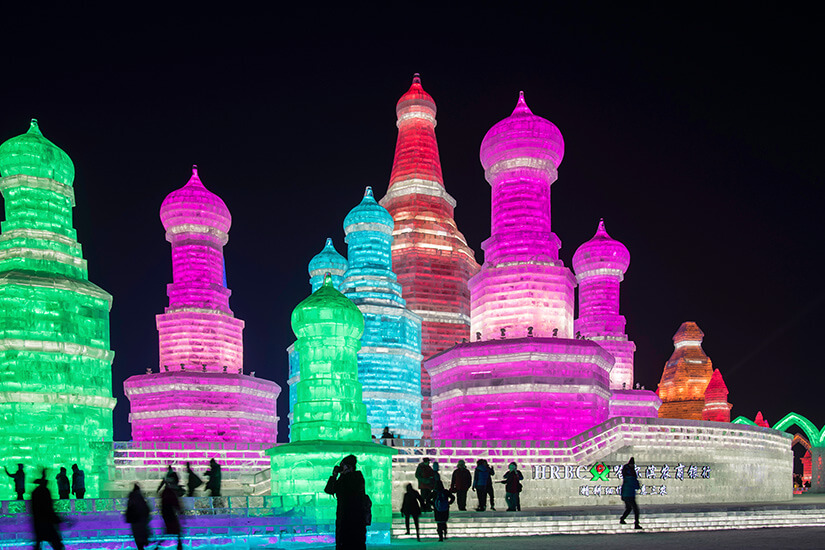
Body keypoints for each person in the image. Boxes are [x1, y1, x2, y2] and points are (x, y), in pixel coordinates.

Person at [324, 454, 368, 550]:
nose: (340, 468)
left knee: (354, 544)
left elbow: (348, 488)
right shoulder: (344, 478)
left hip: (355, 520)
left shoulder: (356, 478)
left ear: (349, 467)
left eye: (342, 465)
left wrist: (342, 475)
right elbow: (328, 490)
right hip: (343, 518)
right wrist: (334, 476)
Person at [31, 471, 64, 550]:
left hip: (38, 524)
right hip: (47, 524)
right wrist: (58, 520)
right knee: (57, 545)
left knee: (39, 543)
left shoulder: (35, 492)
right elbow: (48, 508)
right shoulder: (44, 492)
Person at [125, 483, 152, 550]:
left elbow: (129, 509)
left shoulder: (131, 498)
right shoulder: (140, 498)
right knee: (141, 535)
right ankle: (142, 545)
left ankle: (140, 547)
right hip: (141, 520)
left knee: (137, 537)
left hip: (135, 521)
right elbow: (145, 509)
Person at [619, 457, 642, 529]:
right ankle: (636, 524)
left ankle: (622, 519)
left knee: (629, 508)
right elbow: (637, 487)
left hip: (625, 495)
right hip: (630, 495)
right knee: (635, 510)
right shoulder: (632, 478)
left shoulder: (625, 478)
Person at [160, 480, 184, 550]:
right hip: (170, 513)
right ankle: (179, 545)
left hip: (166, 513)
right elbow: (175, 503)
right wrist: (180, 510)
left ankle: (159, 544)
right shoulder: (170, 493)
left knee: (169, 530)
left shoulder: (164, 493)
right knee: (175, 529)